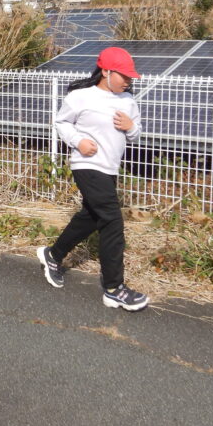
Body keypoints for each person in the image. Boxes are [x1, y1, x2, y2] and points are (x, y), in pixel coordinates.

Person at [37, 46, 148, 311]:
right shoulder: (81, 96)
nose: (128, 80)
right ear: (106, 72)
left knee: (91, 216)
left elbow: (135, 135)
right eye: (124, 75)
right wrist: (79, 141)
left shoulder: (128, 101)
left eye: (130, 76)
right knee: (112, 220)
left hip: (110, 168)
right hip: (86, 165)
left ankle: (53, 255)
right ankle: (114, 289)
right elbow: (62, 123)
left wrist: (131, 127)